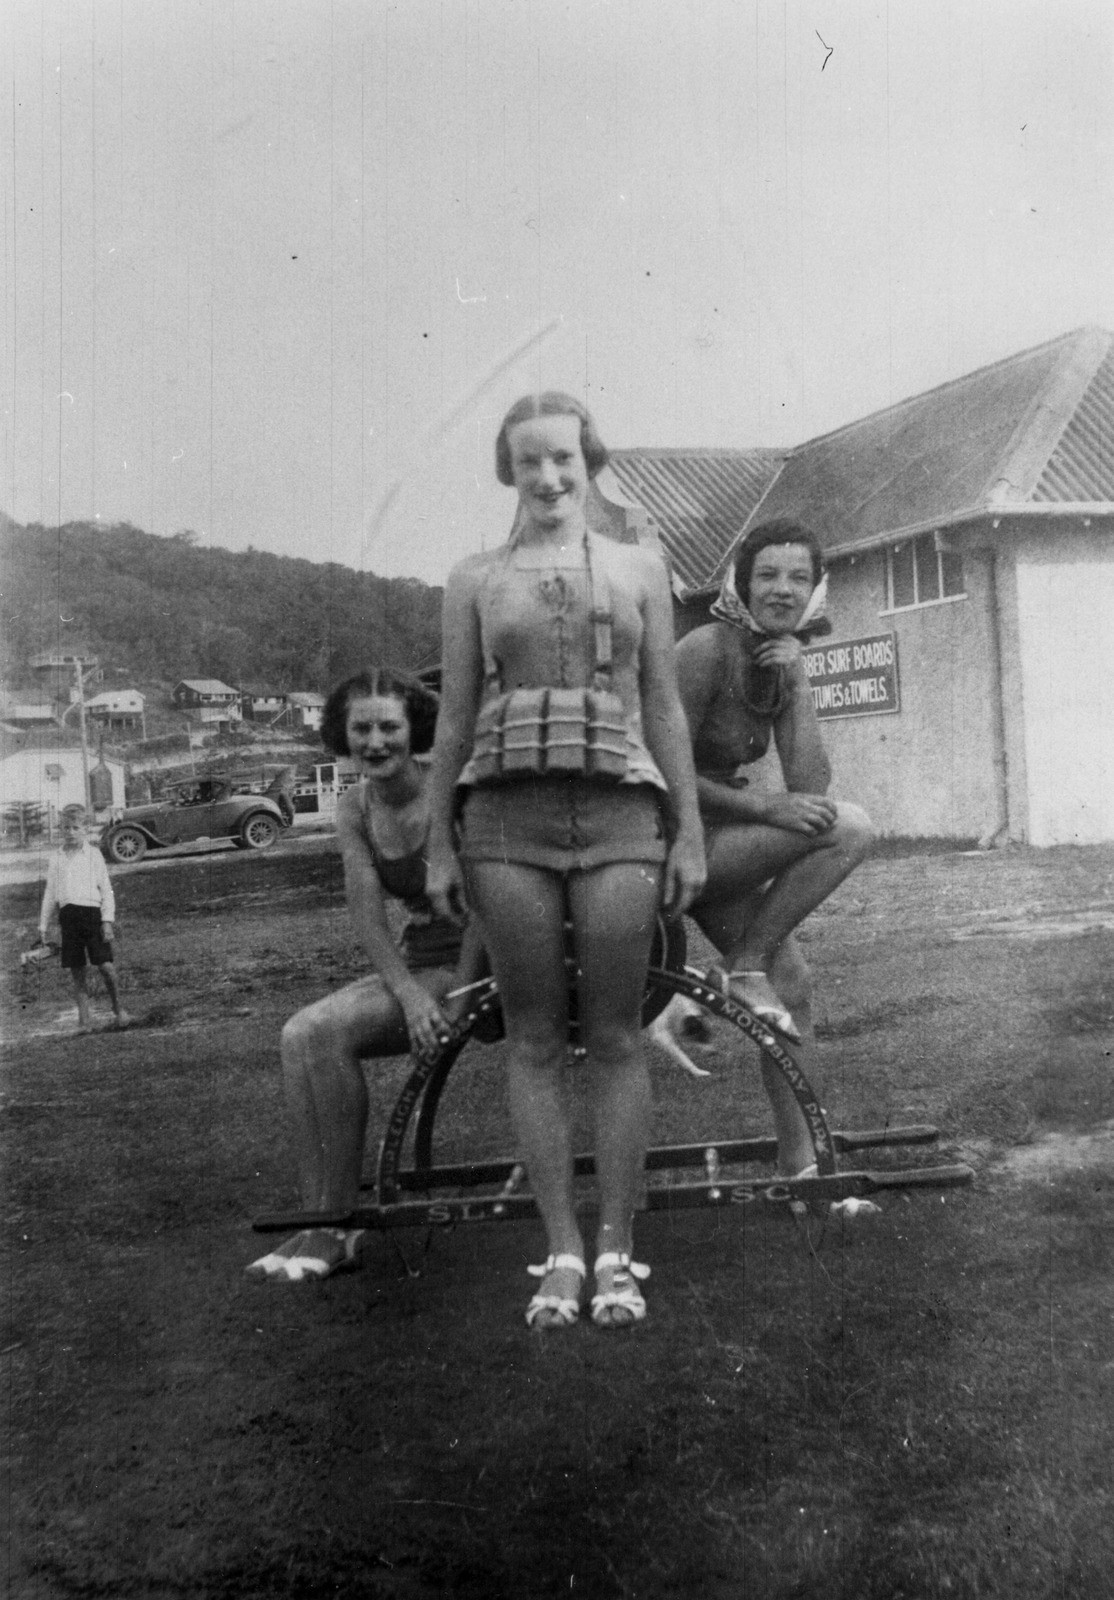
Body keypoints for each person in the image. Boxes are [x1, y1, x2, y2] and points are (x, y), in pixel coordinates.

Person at [426, 391, 706, 1331]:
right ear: (508, 470)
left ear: (590, 462)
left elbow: (662, 705)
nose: (549, 477)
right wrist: (439, 840)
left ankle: (619, 1249)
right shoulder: (473, 578)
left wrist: (691, 831)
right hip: (507, 823)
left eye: (565, 460)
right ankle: (562, 1251)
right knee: (538, 1037)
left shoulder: (640, 565)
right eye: (530, 461)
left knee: (618, 1034)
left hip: (621, 814)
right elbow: (455, 719)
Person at [247, 669, 484, 1283]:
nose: (375, 742)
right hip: (422, 964)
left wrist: (454, 997)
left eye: (389, 727)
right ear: (342, 735)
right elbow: (368, 918)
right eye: (361, 728)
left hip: (479, 962)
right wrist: (406, 993)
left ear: (414, 731)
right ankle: (317, 1220)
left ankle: (338, 1223)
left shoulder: (451, 789)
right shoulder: (354, 807)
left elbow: (489, 905)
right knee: (298, 1032)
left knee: (325, 1031)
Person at [675, 517, 875, 1180]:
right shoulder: (707, 648)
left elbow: (811, 786)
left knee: (793, 991)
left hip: (715, 848)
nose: (783, 590)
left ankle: (803, 1168)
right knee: (853, 827)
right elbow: (657, 766)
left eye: (799, 577)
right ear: (742, 582)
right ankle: (744, 964)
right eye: (768, 575)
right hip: (661, 847)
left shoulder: (779, 660)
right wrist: (762, 807)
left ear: (814, 589)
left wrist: (800, 680)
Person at [38, 803, 131, 1032]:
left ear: (85, 829)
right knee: (76, 969)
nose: (70, 832)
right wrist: (43, 925)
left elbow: (106, 889)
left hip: (92, 915)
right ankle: (84, 1020)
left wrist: (107, 920)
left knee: (105, 966)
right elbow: (50, 892)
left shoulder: (94, 855)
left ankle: (118, 1009)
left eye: (75, 827)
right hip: (68, 917)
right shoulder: (56, 858)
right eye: (65, 828)